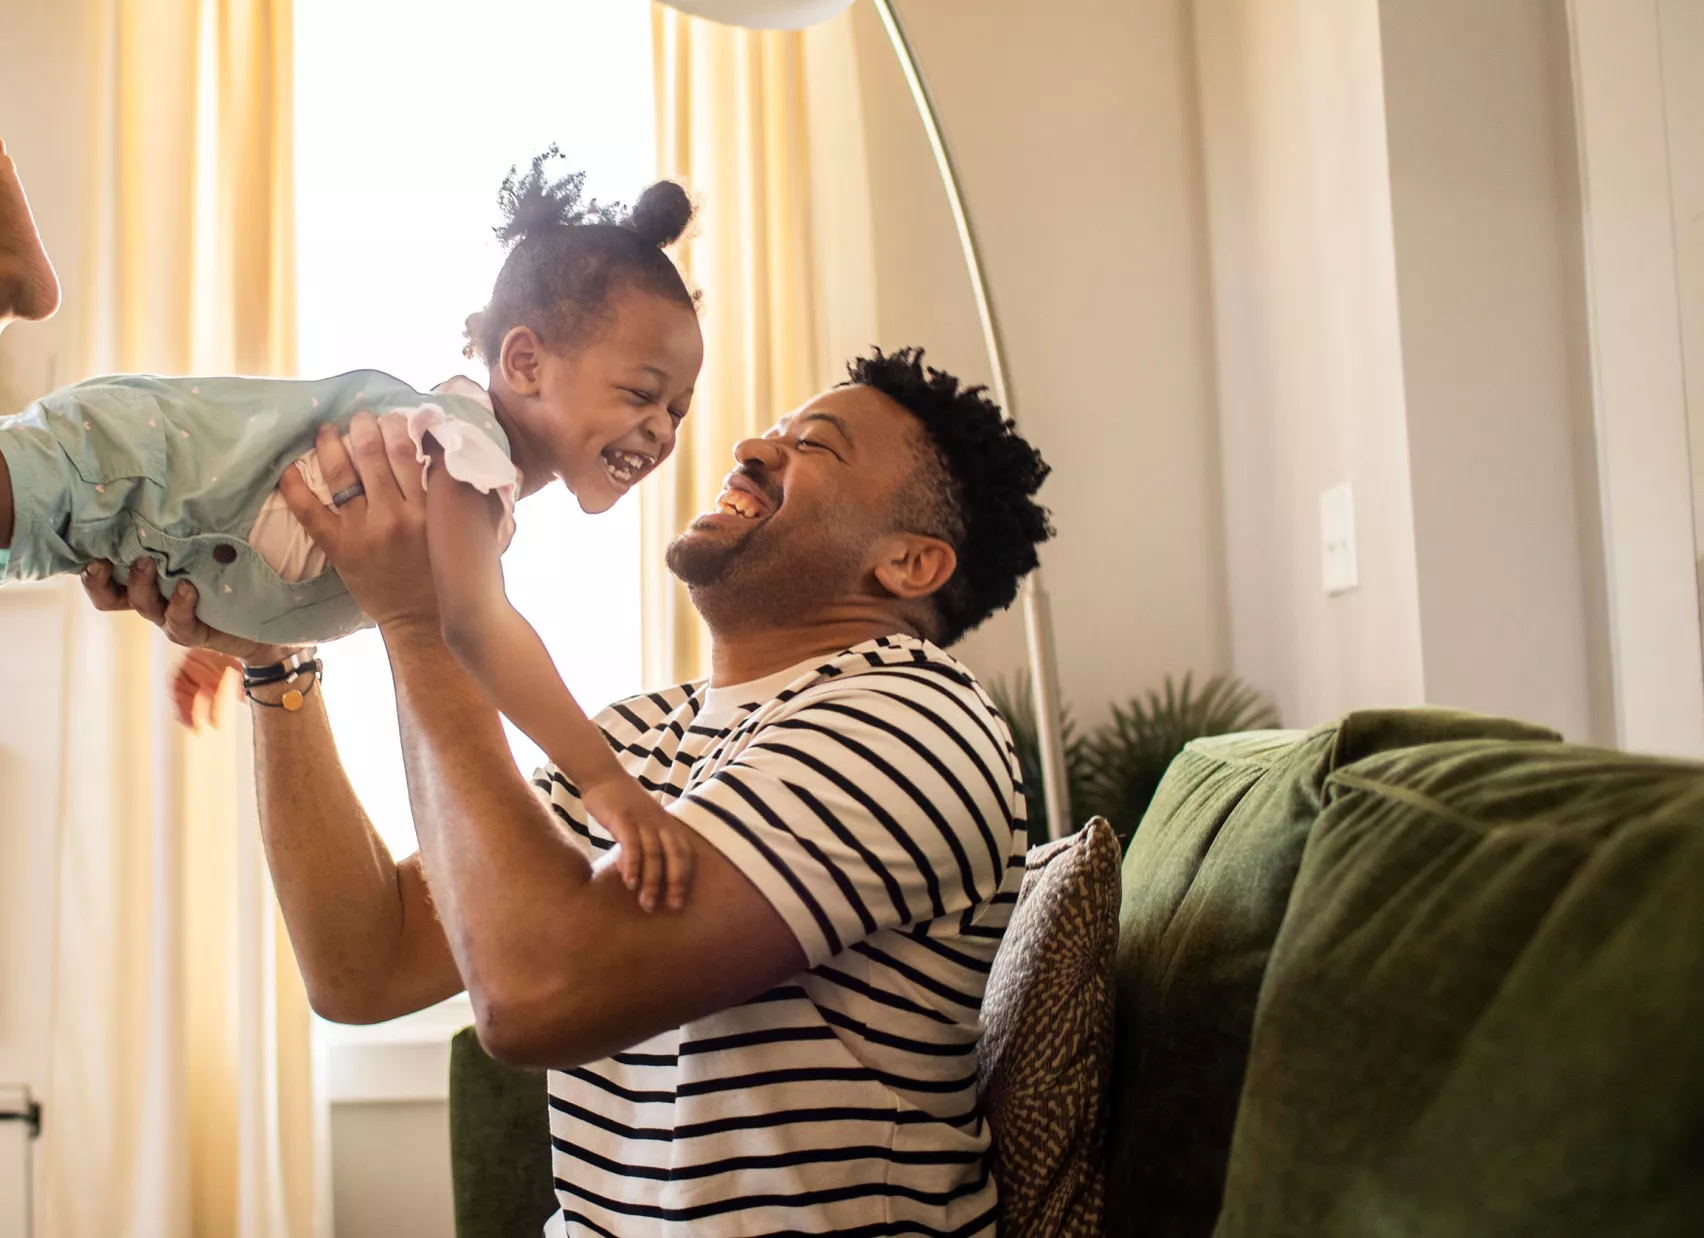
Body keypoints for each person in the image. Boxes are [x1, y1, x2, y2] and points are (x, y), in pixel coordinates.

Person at [96, 345, 1054, 1236]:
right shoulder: (645, 735)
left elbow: (533, 994)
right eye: (776, 428)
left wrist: (421, 617)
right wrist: (279, 663)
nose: (752, 445)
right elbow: (363, 966)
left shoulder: (908, 722)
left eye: (815, 447)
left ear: (910, 562)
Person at [0, 53, 708, 906]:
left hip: (132, 490)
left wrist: (232, 636)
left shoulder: (452, 448)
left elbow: (283, 515)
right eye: (642, 393)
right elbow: (478, 628)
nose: (661, 429)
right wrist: (607, 786)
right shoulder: (467, 459)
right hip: (129, 474)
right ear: (525, 361)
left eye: (679, 409)